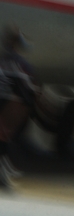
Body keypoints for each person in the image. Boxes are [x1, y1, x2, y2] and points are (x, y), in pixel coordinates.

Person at [0, 26, 37, 189]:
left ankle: (4, 173)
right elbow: (25, 87)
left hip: (4, 101)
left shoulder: (4, 60)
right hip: (8, 104)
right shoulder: (19, 64)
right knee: (3, 140)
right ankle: (3, 177)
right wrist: (29, 101)